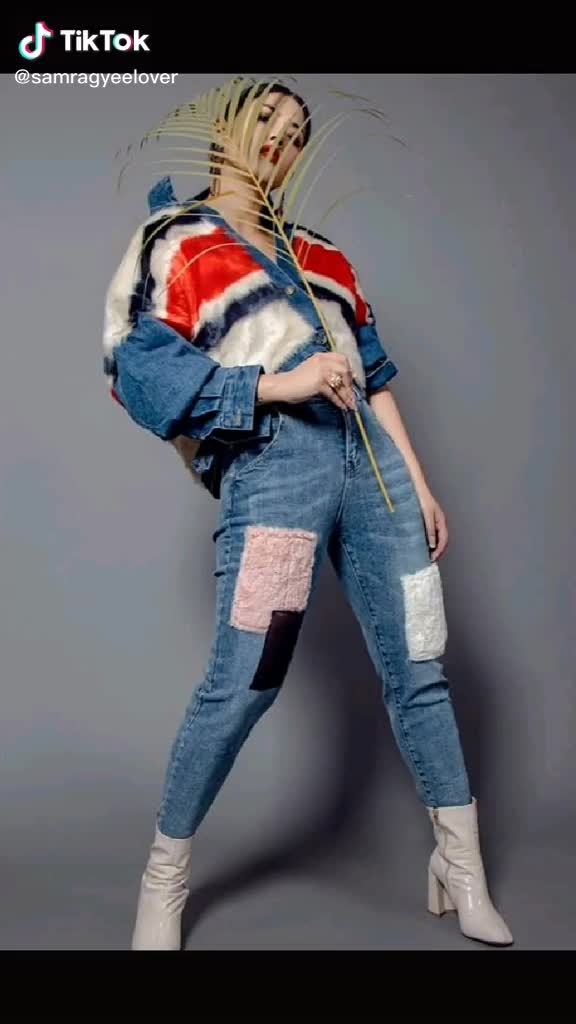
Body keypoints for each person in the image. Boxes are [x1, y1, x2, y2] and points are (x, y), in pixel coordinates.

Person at [102, 80, 514, 950]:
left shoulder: (324, 255)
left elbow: (376, 372)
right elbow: (137, 368)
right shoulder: (175, 238)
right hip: (278, 463)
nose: (281, 142)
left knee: (421, 663)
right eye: (267, 121)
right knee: (246, 678)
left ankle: (460, 867)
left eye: (296, 133)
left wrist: (419, 484)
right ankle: (164, 878)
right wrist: (276, 385)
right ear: (224, 127)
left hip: (374, 467)